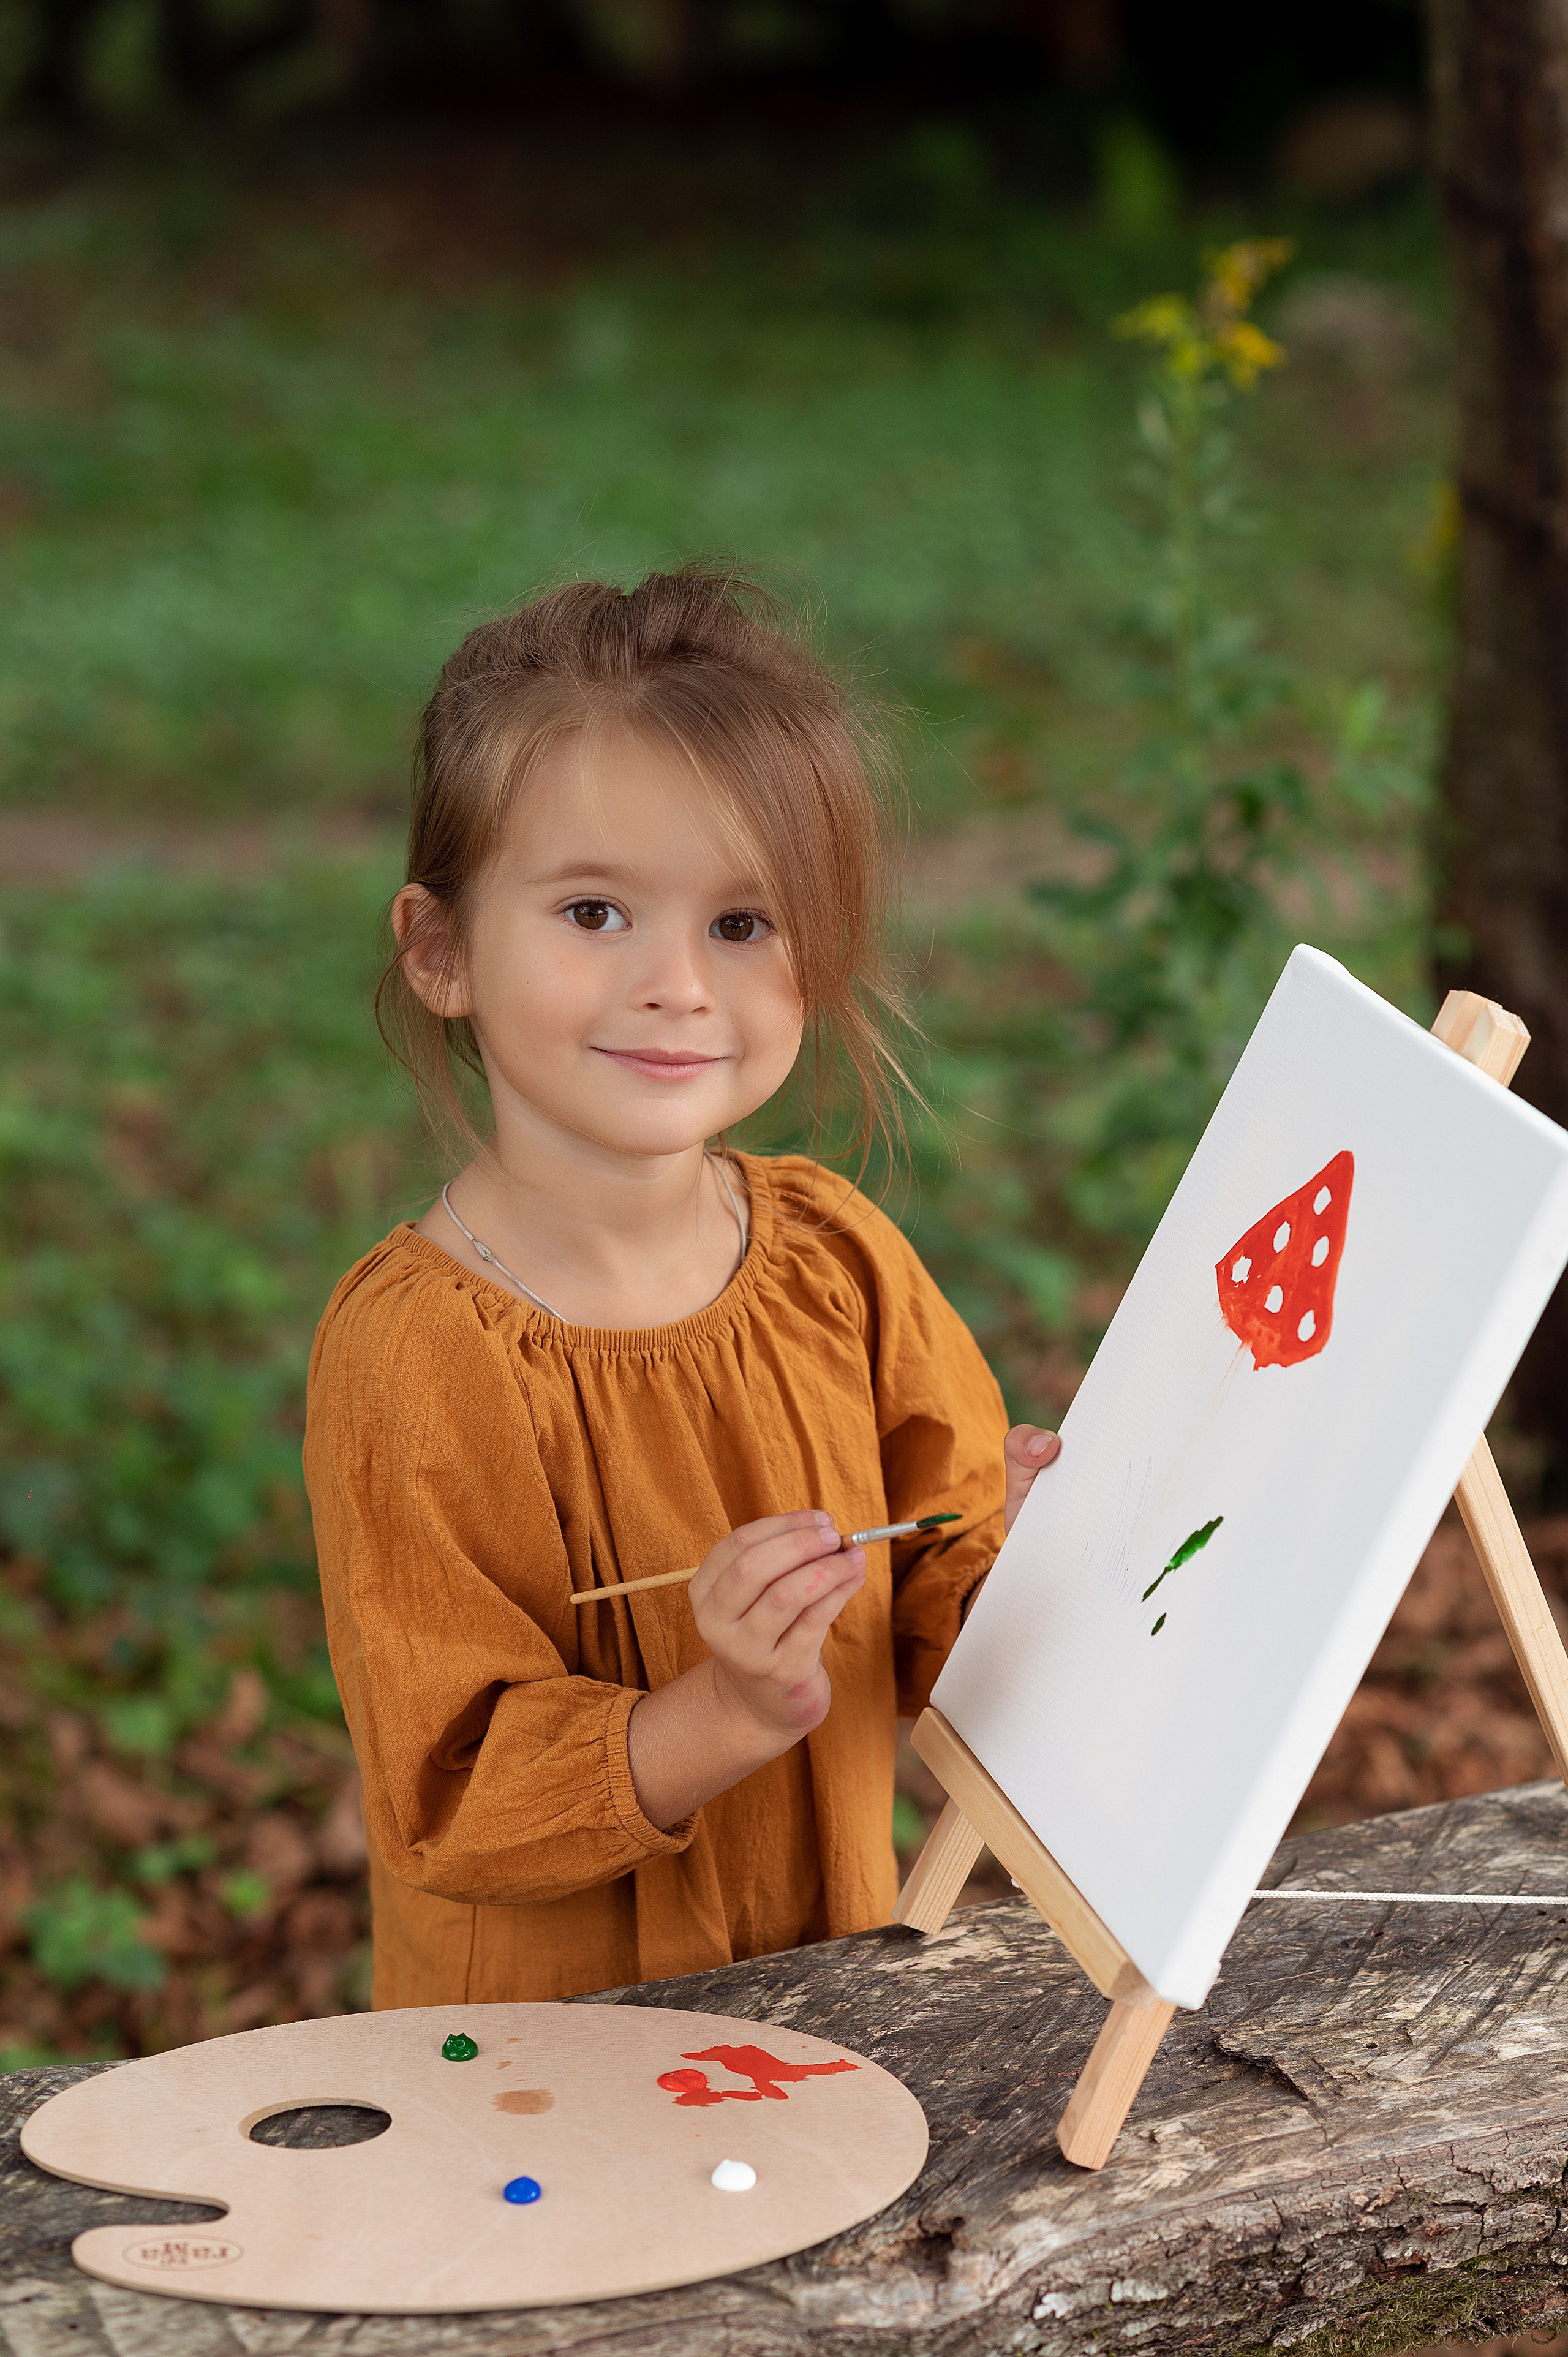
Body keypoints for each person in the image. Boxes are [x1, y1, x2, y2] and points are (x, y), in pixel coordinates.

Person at [303, 568, 1061, 2008]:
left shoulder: (834, 1262)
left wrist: (1036, 1565)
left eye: (742, 922)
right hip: (537, 2067)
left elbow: (945, 1601)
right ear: (441, 948)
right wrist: (724, 1707)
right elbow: (448, 1793)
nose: (678, 984)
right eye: (594, 910)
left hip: (824, 2017)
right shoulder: (418, 1353)